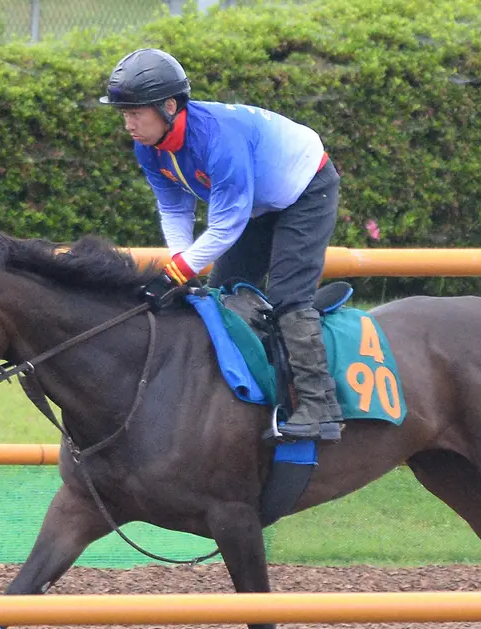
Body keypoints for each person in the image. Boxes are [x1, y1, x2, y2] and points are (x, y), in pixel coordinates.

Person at [100, 47, 343, 442]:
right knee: (223, 295)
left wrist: (177, 273)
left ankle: (320, 407)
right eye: (124, 114)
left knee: (287, 297)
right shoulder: (149, 146)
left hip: (305, 190)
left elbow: (226, 225)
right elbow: (175, 209)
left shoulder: (218, 139)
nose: (128, 123)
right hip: (257, 204)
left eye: (135, 113)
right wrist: (181, 264)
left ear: (169, 106)